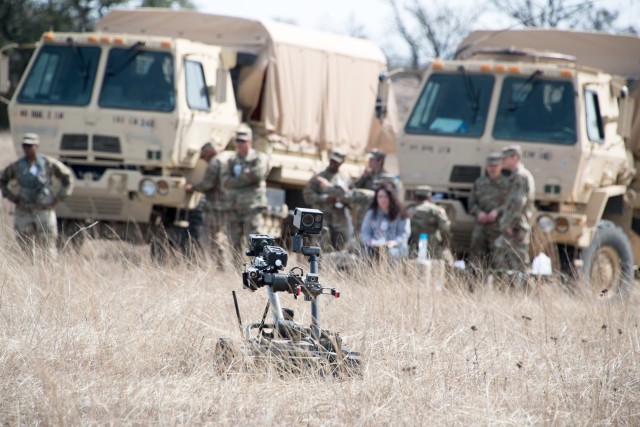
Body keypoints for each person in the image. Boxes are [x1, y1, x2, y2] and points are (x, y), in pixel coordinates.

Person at [0, 133, 74, 260]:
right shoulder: (18, 166)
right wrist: (12, 197)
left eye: (30, 145)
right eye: (25, 146)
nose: (28, 149)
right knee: (25, 245)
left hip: (44, 210)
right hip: (24, 211)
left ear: (37, 146)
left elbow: (67, 178)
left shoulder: (48, 163)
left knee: (48, 247)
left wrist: (58, 199)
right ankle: (30, 270)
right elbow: (3, 180)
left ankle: (48, 273)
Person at [222, 124, 269, 256]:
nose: (239, 144)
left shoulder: (259, 158)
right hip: (234, 206)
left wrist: (236, 180)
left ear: (250, 142)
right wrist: (246, 177)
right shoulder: (231, 160)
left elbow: (257, 174)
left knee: (255, 239)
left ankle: (257, 268)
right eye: (237, 141)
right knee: (234, 240)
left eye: (243, 141)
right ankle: (238, 271)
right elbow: (225, 182)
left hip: (252, 206)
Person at [185, 142, 229, 268]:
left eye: (203, 156)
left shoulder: (215, 162)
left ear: (209, 152)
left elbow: (207, 184)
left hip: (215, 205)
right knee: (219, 235)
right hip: (225, 204)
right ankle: (221, 264)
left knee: (211, 236)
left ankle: (219, 265)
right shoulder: (225, 160)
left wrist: (192, 188)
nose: (204, 159)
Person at [494, 144, 536, 272]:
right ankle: (508, 286)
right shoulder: (516, 176)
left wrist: (510, 224)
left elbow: (518, 202)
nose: (503, 161)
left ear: (515, 157)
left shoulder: (520, 176)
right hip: (515, 224)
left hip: (517, 226)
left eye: (506, 158)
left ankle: (526, 288)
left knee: (519, 260)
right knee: (508, 257)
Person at [303, 150, 354, 251]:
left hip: (340, 221)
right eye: (332, 160)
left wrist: (344, 200)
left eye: (336, 162)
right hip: (322, 220)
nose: (333, 163)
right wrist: (325, 199)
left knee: (341, 248)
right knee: (320, 246)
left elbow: (352, 197)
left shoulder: (345, 179)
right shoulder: (318, 178)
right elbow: (307, 196)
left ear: (341, 163)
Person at [468, 152, 509, 270]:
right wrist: (478, 213)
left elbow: (511, 205)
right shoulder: (479, 183)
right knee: (477, 261)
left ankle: (499, 287)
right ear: (486, 167)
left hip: (499, 228)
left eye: (495, 166)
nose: (493, 169)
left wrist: (497, 211)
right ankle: (476, 286)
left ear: (501, 166)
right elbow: (471, 203)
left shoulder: (507, 184)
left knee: (499, 261)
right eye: (490, 166)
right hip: (481, 228)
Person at [360, 183, 410, 259]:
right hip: (375, 246)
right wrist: (371, 241)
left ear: (391, 198)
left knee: (391, 254)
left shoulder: (400, 213)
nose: (383, 199)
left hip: (396, 247)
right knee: (364, 252)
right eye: (380, 197)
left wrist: (394, 242)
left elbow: (404, 233)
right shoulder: (371, 213)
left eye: (386, 196)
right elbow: (364, 233)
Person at [406, 185, 453, 265]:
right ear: (429, 198)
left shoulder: (409, 210)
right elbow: (445, 228)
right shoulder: (436, 210)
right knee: (448, 262)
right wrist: (445, 243)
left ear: (416, 197)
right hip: (434, 247)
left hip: (412, 247)